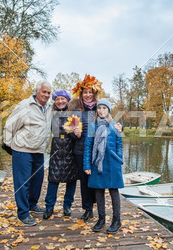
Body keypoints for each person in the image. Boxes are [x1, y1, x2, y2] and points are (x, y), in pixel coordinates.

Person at [69, 74, 122, 222]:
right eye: (85, 92)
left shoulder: (101, 108)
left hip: (100, 152)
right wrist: (75, 134)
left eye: (90, 92)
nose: (87, 95)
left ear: (94, 93)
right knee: (85, 182)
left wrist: (119, 128)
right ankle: (88, 209)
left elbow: (112, 123)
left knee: (97, 182)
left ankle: (100, 210)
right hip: (82, 150)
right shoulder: (76, 110)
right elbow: (70, 129)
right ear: (81, 94)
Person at [3, 80, 52, 226]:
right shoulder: (25, 105)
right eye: (43, 92)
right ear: (36, 92)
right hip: (22, 149)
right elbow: (9, 125)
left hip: (39, 150)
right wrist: (9, 145)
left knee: (37, 180)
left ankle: (32, 204)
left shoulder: (50, 107)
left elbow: (68, 105)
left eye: (49, 93)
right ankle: (23, 213)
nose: (46, 95)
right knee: (23, 182)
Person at [83, 98, 124, 233]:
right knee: (98, 191)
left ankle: (116, 220)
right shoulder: (92, 126)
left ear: (109, 110)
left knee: (113, 191)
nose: (101, 111)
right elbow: (88, 146)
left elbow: (119, 144)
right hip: (97, 163)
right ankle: (101, 218)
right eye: (99, 108)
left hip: (112, 163)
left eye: (104, 108)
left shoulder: (115, 126)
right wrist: (87, 164)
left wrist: (119, 160)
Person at [43, 90, 77, 219]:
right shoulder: (50, 114)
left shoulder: (73, 115)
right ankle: (49, 207)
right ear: (54, 101)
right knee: (53, 180)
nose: (60, 101)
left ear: (67, 100)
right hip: (56, 151)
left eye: (63, 99)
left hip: (70, 151)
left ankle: (67, 206)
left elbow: (76, 134)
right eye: (57, 99)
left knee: (71, 180)